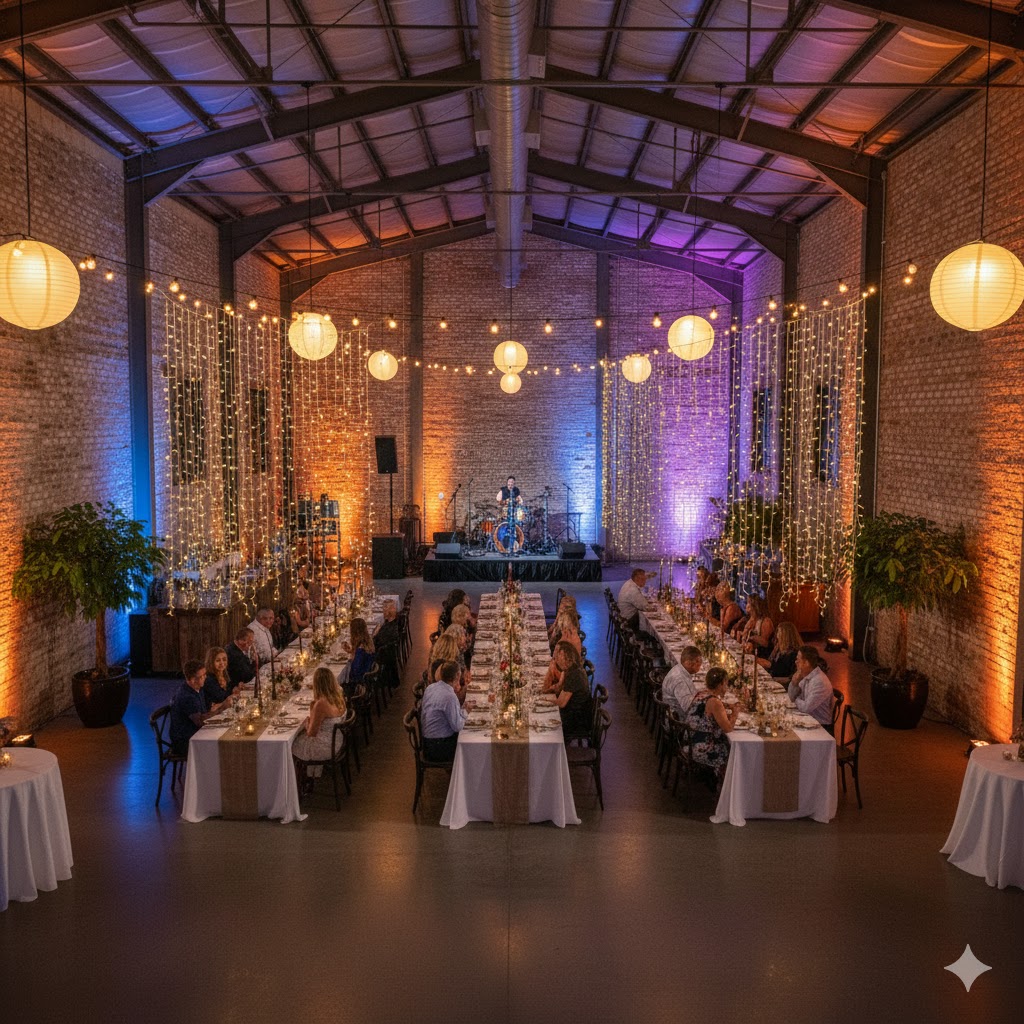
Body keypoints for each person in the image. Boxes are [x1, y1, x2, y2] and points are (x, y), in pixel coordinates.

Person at [684, 665, 738, 783]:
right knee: (734, 752)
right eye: (726, 684)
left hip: (691, 740)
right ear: (720, 685)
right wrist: (735, 714)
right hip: (701, 748)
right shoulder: (715, 702)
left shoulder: (702, 693)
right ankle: (727, 787)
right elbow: (728, 729)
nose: (726, 687)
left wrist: (728, 707)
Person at [292, 667, 347, 778]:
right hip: (338, 740)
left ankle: (299, 782)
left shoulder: (321, 704)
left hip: (327, 747)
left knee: (291, 745)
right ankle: (309, 777)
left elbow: (311, 733)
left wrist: (308, 721)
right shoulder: (338, 695)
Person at [169, 659, 232, 756]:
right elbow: (201, 721)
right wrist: (222, 708)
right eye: (201, 676)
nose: (205, 678)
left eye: (205, 674)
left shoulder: (197, 688)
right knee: (226, 743)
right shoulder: (187, 696)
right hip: (185, 741)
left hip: (194, 733)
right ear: (193, 680)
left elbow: (205, 711)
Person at [545, 641, 593, 742]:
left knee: (541, 721)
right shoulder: (573, 670)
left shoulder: (574, 676)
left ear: (568, 658)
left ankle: (548, 750)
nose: (556, 659)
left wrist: (545, 700)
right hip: (576, 713)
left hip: (575, 720)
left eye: (559, 655)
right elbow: (559, 690)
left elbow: (561, 703)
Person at [419, 660, 467, 761]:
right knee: (470, 740)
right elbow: (458, 726)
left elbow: (452, 716)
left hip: (427, 742)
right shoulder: (449, 696)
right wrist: (466, 712)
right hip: (438, 747)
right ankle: (464, 774)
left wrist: (463, 710)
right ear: (457, 676)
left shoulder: (431, 687)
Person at [788, 645, 834, 726]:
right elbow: (791, 696)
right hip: (807, 720)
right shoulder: (806, 674)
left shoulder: (819, 681)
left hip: (821, 726)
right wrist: (794, 683)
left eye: (798, 659)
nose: (796, 662)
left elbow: (806, 708)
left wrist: (795, 699)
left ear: (806, 663)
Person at [661, 645, 702, 715]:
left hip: (676, 710)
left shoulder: (679, 669)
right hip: (678, 717)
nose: (700, 664)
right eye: (698, 661)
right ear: (689, 663)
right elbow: (689, 707)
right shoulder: (680, 681)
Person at [343, 617, 375, 694]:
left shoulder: (360, 650)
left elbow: (355, 671)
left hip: (357, 684)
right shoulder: (367, 642)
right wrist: (352, 651)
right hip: (364, 679)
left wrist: (352, 658)